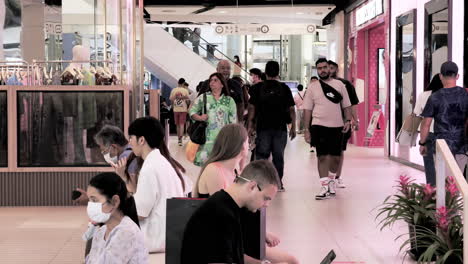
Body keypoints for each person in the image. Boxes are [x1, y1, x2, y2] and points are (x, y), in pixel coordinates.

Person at [193, 124, 299, 264]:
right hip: (223, 243)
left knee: (292, 260)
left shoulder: (235, 170)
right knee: (289, 260)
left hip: (239, 238)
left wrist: (262, 233)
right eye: (247, 141)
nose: (249, 144)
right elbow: (221, 217)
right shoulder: (214, 171)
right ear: (239, 144)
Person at [181, 160, 283, 264]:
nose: (266, 204)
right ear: (252, 187)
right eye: (266, 198)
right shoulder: (220, 214)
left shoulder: (231, 206)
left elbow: (234, 256)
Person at [128, 116, 187, 252]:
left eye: (131, 138)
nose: (130, 142)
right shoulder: (162, 162)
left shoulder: (150, 168)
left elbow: (140, 212)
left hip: (155, 239)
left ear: (141, 140)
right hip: (171, 235)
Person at [303, 58, 353, 200]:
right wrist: (306, 130)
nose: (323, 70)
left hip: (337, 127)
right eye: (320, 68)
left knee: (336, 158)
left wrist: (348, 120)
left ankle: (331, 180)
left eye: (325, 67)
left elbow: (347, 105)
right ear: (316, 70)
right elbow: (307, 109)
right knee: (322, 156)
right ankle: (324, 186)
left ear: (330, 69)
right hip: (318, 126)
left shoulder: (339, 85)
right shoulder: (312, 87)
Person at [248, 61, 296, 191]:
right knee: (278, 156)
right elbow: (291, 109)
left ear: (265, 72)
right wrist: (294, 126)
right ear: (278, 72)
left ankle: (261, 183)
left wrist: (250, 125)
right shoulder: (284, 88)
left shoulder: (257, 88)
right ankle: (277, 183)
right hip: (280, 128)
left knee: (262, 156)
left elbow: (252, 108)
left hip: (262, 127)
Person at [85, 172, 148, 264]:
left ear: (115, 201)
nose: (90, 206)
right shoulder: (101, 231)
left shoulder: (126, 232)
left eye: (94, 200)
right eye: (89, 200)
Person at [420, 61, 468, 175]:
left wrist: (422, 143)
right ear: (457, 76)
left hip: (442, 146)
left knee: (445, 183)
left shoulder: (434, 98)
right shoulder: (465, 95)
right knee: (459, 181)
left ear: (440, 76)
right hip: (462, 145)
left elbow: (426, 124)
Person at [73, 125, 142, 203]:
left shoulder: (125, 159)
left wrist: (92, 199)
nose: (104, 156)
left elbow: (130, 193)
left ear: (113, 147)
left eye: (104, 152)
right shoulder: (130, 152)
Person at [189, 72, 237, 166]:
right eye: (211, 80)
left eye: (215, 80)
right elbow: (192, 112)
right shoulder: (203, 97)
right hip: (206, 142)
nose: (212, 82)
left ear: (222, 84)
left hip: (223, 142)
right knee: (205, 170)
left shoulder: (229, 101)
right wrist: (200, 117)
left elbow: (233, 123)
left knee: (221, 169)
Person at [328, 60, 360, 188]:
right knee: (327, 152)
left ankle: (337, 176)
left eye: (332, 68)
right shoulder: (320, 85)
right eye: (327, 67)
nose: (329, 70)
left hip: (343, 123)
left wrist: (355, 120)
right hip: (325, 123)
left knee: (340, 150)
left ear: (336, 69)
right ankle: (328, 178)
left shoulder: (346, 84)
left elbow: (353, 104)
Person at [414, 74, 443, 186]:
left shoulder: (423, 95)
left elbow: (417, 113)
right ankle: (445, 191)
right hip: (442, 133)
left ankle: (431, 189)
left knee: (429, 162)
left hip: (427, 133)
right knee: (443, 163)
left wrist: (421, 141)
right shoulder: (445, 95)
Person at [170, 78, 190, 146]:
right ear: (183, 83)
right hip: (183, 109)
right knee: (182, 125)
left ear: (178, 82)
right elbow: (188, 100)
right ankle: (180, 140)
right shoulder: (185, 90)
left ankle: (178, 139)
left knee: (177, 125)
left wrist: (174, 103)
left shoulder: (174, 90)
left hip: (176, 109)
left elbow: (171, 99)